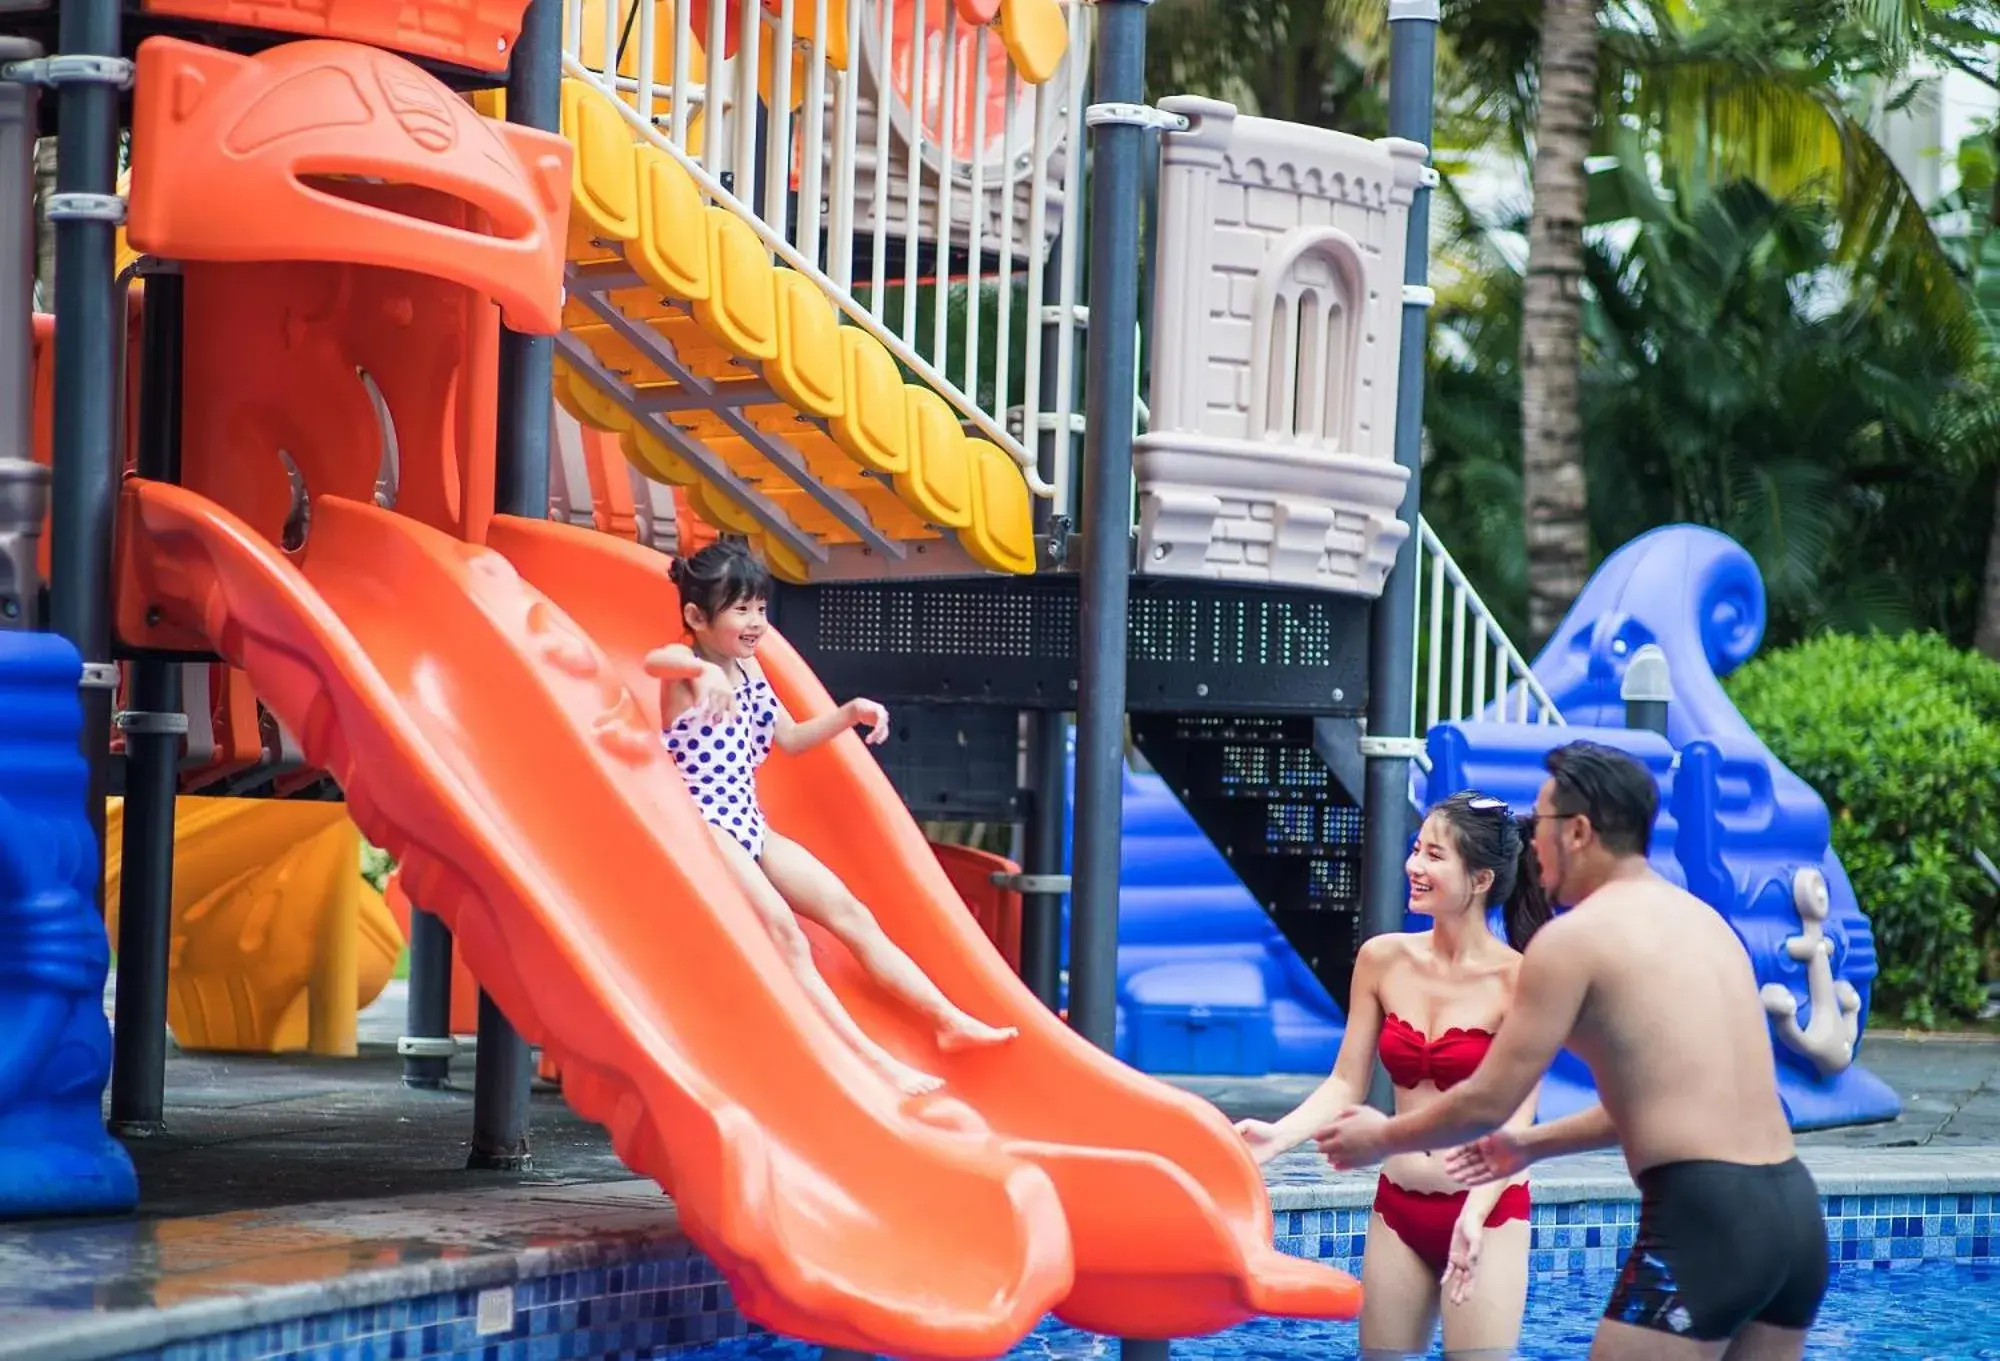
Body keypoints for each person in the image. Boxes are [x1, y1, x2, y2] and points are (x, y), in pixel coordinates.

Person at [1316, 741, 1829, 1361]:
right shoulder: (1706, 925)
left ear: (1579, 832)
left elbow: (1487, 1099)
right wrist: (1531, 1144)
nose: (1531, 842)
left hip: (1706, 1219)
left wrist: (1382, 1137)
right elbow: (1667, 1099)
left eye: (1542, 824)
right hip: (1795, 1217)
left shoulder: (1574, 940)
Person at [646, 539, 1016, 1096]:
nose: (754, 622)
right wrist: (705, 674)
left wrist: (848, 713)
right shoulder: (688, 672)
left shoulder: (749, 670)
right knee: (784, 933)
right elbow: (660, 661)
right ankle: (868, 1061)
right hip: (705, 827)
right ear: (697, 617)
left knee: (851, 913)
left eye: (760, 609)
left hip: (750, 823)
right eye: (740, 609)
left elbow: (790, 739)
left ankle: (948, 1021)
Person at [1233, 791, 1552, 1360]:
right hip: (1398, 1207)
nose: (1414, 866)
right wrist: (1279, 1137)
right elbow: (1345, 1084)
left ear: (1479, 880)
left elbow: (1517, 1121)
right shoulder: (1382, 958)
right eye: (1415, 850)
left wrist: (1475, 1215)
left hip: (1488, 1210)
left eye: (1433, 856)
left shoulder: (1523, 980)